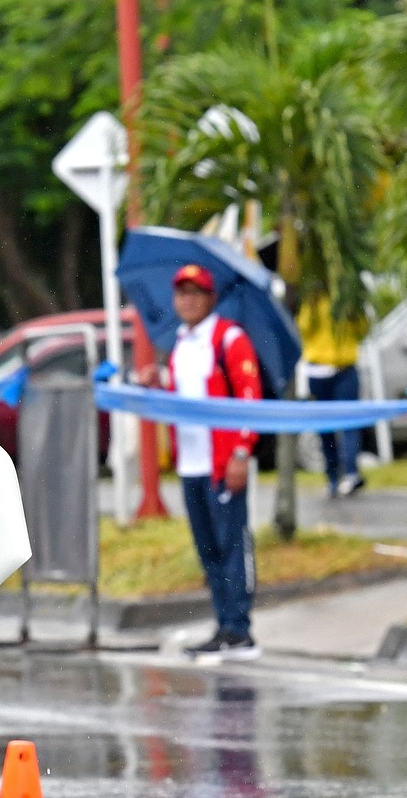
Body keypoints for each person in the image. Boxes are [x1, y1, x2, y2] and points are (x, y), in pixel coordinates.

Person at [143, 265, 264, 661]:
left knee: (232, 545)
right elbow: (183, 393)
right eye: (182, 293)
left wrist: (242, 453)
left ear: (211, 298)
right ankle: (223, 625)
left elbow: (249, 398)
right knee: (208, 550)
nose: (188, 300)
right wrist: (157, 381)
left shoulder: (228, 338)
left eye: (197, 292)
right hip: (191, 465)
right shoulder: (181, 342)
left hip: (223, 462)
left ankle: (240, 630)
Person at [297, 293, 369, 497]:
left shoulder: (347, 298)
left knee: (349, 422)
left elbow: (362, 330)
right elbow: (303, 328)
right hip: (318, 370)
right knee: (325, 426)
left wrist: (355, 312)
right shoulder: (311, 299)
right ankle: (332, 476)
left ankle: (351, 473)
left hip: (345, 367)